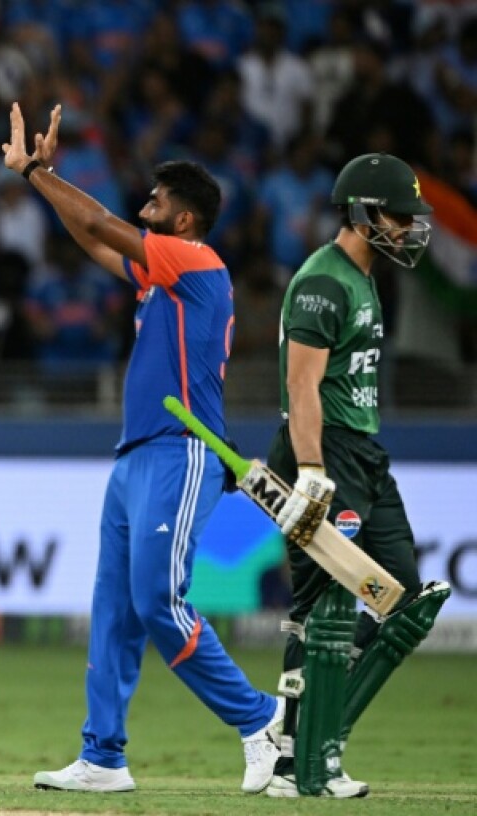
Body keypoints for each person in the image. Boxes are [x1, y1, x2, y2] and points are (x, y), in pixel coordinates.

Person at [1, 103, 283, 793]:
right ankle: (103, 756)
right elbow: (93, 242)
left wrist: (38, 171)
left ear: (182, 221)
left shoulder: (195, 260)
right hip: (135, 456)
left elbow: (101, 227)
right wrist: (44, 181)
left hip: (180, 450)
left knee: (159, 601)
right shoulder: (162, 276)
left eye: (155, 201)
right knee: (116, 613)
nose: (143, 205)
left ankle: (262, 722)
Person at [264, 152, 450, 798]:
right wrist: (312, 471)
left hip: (363, 452)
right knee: (319, 608)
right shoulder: (324, 281)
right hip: (325, 452)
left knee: (398, 591)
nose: (407, 228)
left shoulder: (364, 277)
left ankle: (321, 736)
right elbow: (301, 384)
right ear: (365, 211)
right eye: (400, 216)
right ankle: (292, 755)